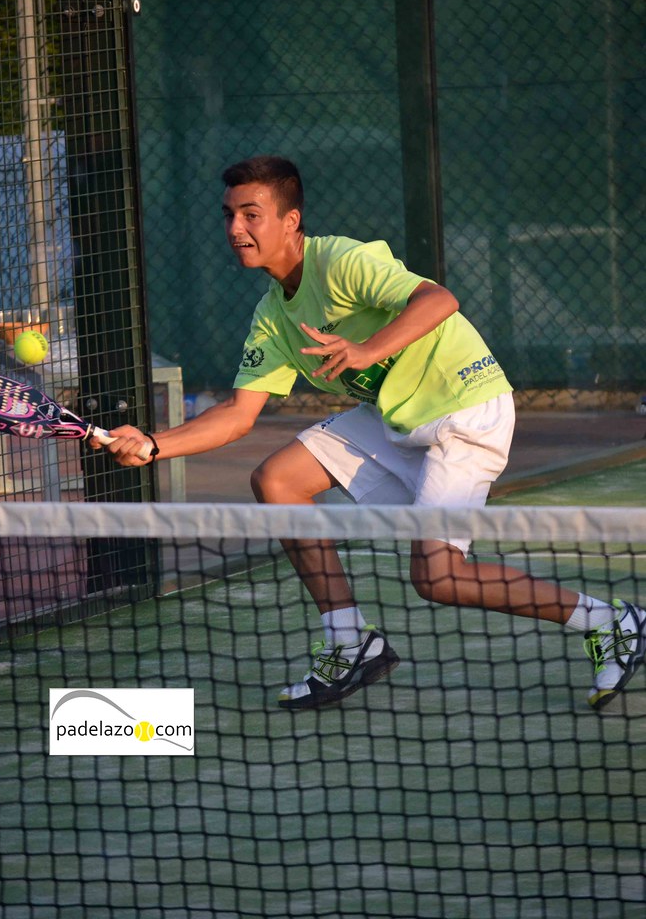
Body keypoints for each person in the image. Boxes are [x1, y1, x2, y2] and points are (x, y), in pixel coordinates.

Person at [97, 154, 646, 713]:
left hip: (464, 407)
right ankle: (349, 641)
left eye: (251, 214)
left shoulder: (341, 262)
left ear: (290, 220)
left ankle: (611, 621)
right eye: (229, 215)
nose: (236, 228)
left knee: (438, 578)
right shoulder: (272, 315)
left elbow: (439, 299)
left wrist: (367, 350)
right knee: (279, 479)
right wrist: (153, 444)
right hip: (397, 414)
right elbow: (239, 415)